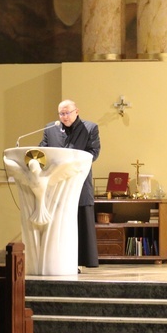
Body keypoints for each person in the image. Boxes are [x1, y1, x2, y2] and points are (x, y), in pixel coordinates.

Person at [40, 99, 101, 269]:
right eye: (61, 113)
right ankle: (58, 260)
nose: (64, 116)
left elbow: (93, 152)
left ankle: (82, 261)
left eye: (67, 112)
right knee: (59, 222)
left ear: (76, 111)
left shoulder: (90, 128)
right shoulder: (50, 128)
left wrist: (73, 164)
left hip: (78, 181)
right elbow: (42, 150)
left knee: (81, 219)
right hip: (56, 184)